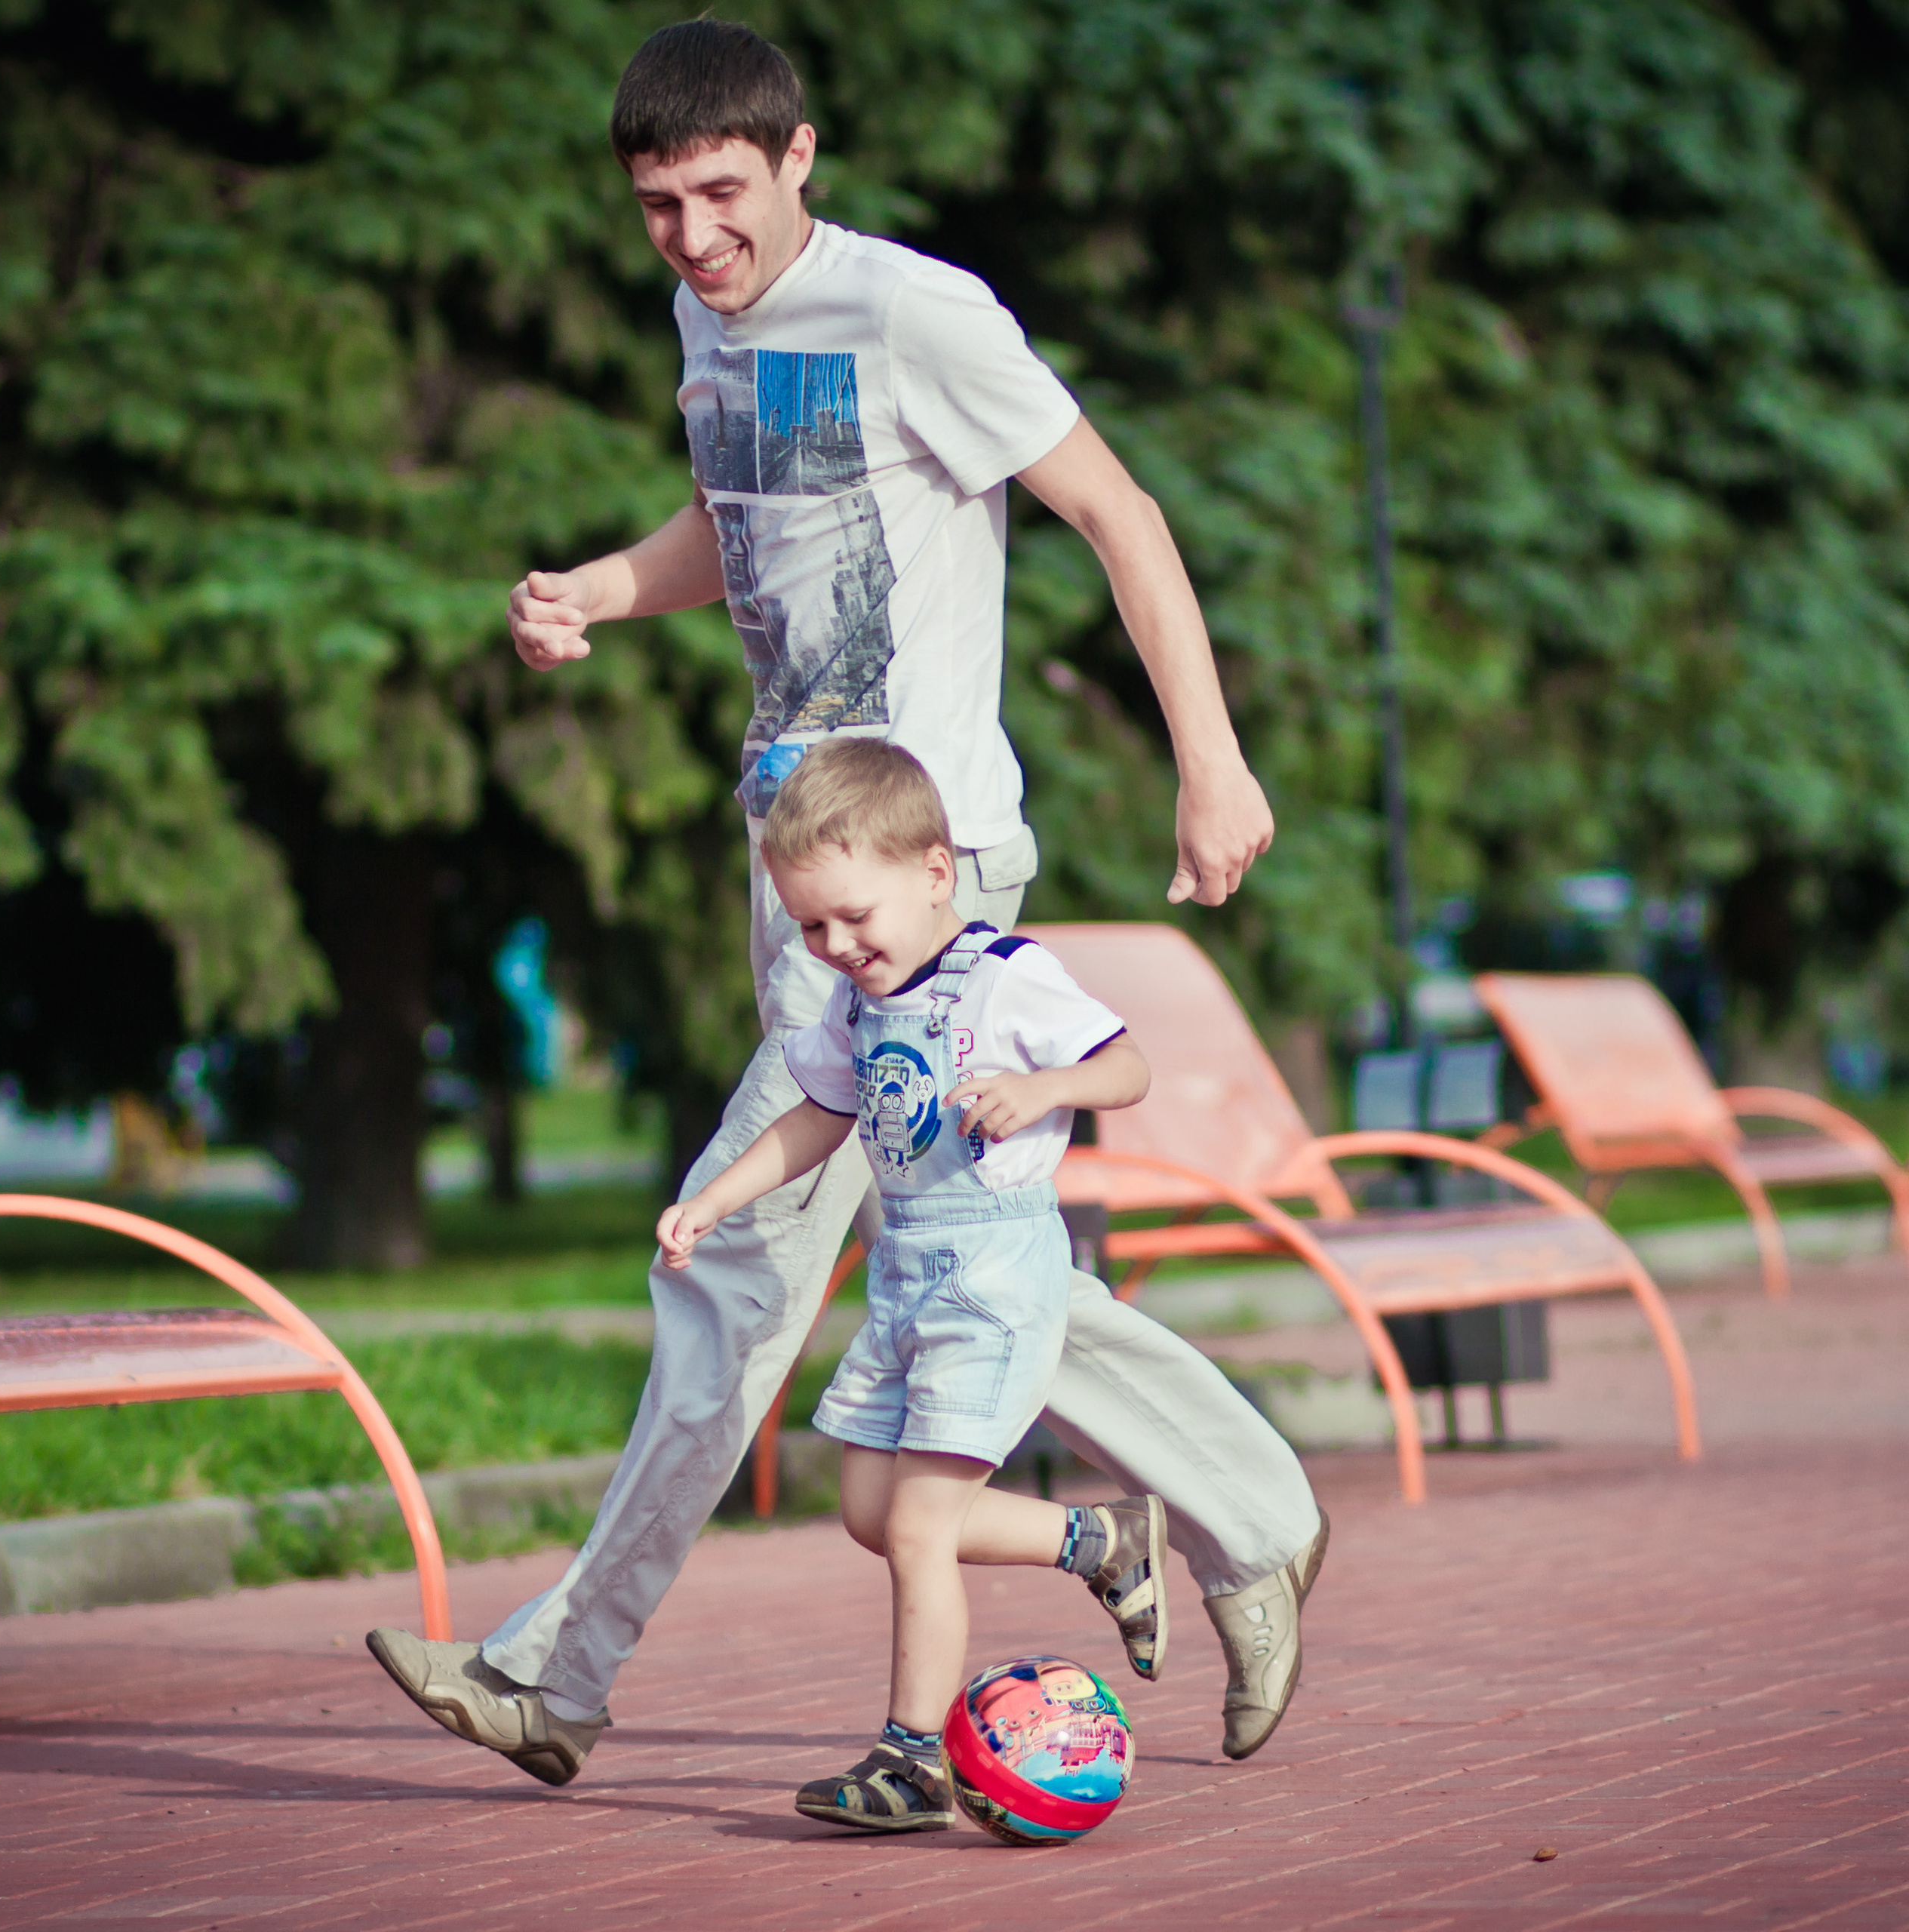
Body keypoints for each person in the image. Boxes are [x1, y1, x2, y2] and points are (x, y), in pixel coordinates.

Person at [365, 17, 1326, 1784]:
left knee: (736, 1258)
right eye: (657, 205)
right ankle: (1249, 1516)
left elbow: (1114, 508)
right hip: (803, 873)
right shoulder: (704, 319)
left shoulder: (915, 312)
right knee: (968, 1252)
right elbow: (745, 526)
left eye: (723, 193)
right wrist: (596, 583)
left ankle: (555, 1675)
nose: (693, 235)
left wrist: (1211, 757)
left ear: (799, 155)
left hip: (926, 887)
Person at [658, 737, 1156, 1832]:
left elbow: (1128, 1065)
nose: (835, 945)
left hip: (993, 1275)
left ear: (934, 873)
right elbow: (817, 1120)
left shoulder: (1007, 975)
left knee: (924, 1529)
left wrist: (1044, 1088)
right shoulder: (856, 999)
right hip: (905, 1280)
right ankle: (1099, 1541)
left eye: (854, 918)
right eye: (811, 927)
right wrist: (713, 1200)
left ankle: (911, 1761)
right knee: (872, 1512)